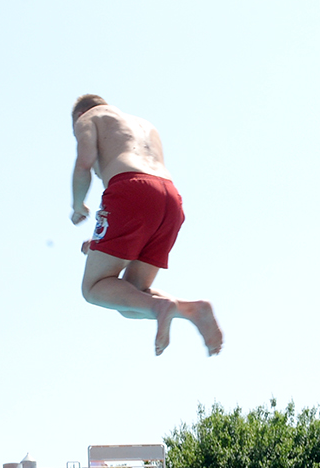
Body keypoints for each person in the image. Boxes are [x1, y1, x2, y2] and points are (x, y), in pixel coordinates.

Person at [69, 93, 222, 357]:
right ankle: (191, 309)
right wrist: (100, 244)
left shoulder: (89, 118)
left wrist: (77, 204)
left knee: (93, 288)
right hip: (170, 200)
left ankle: (161, 308)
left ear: (79, 116)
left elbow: (84, 163)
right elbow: (145, 205)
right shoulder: (144, 124)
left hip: (130, 190)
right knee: (130, 300)